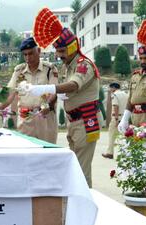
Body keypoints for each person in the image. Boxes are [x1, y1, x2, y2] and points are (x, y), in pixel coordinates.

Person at [24, 12, 100, 187]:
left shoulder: (83, 64)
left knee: (81, 172)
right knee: (74, 169)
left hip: (85, 120)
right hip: (74, 122)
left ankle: (84, 208)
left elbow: (73, 85)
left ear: (73, 47)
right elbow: (68, 90)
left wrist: (45, 88)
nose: (59, 55)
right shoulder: (69, 66)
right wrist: (53, 98)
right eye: (57, 51)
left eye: (62, 51)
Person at [0, 37, 58, 143]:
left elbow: (54, 90)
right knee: (26, 154)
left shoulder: (49, 69)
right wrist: (0, 105)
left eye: (31, 53)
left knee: (47, 154)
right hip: (26, 120)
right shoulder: (19, 71)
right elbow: (10, 92)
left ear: (39, 51)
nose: (28, 57)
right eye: (25, 54)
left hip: (45, 119)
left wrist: (47, 104)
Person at [102, 83, 128, 159]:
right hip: (125, 117)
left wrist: (116, 119)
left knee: (112, 135)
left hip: (117, 117)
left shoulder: (114, 95)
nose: (109, 90)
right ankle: (126, 153)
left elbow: (116, 106)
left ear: (113, 88)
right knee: (125, 136)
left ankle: (110, 153)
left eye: (110, 88)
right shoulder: (125, 94)